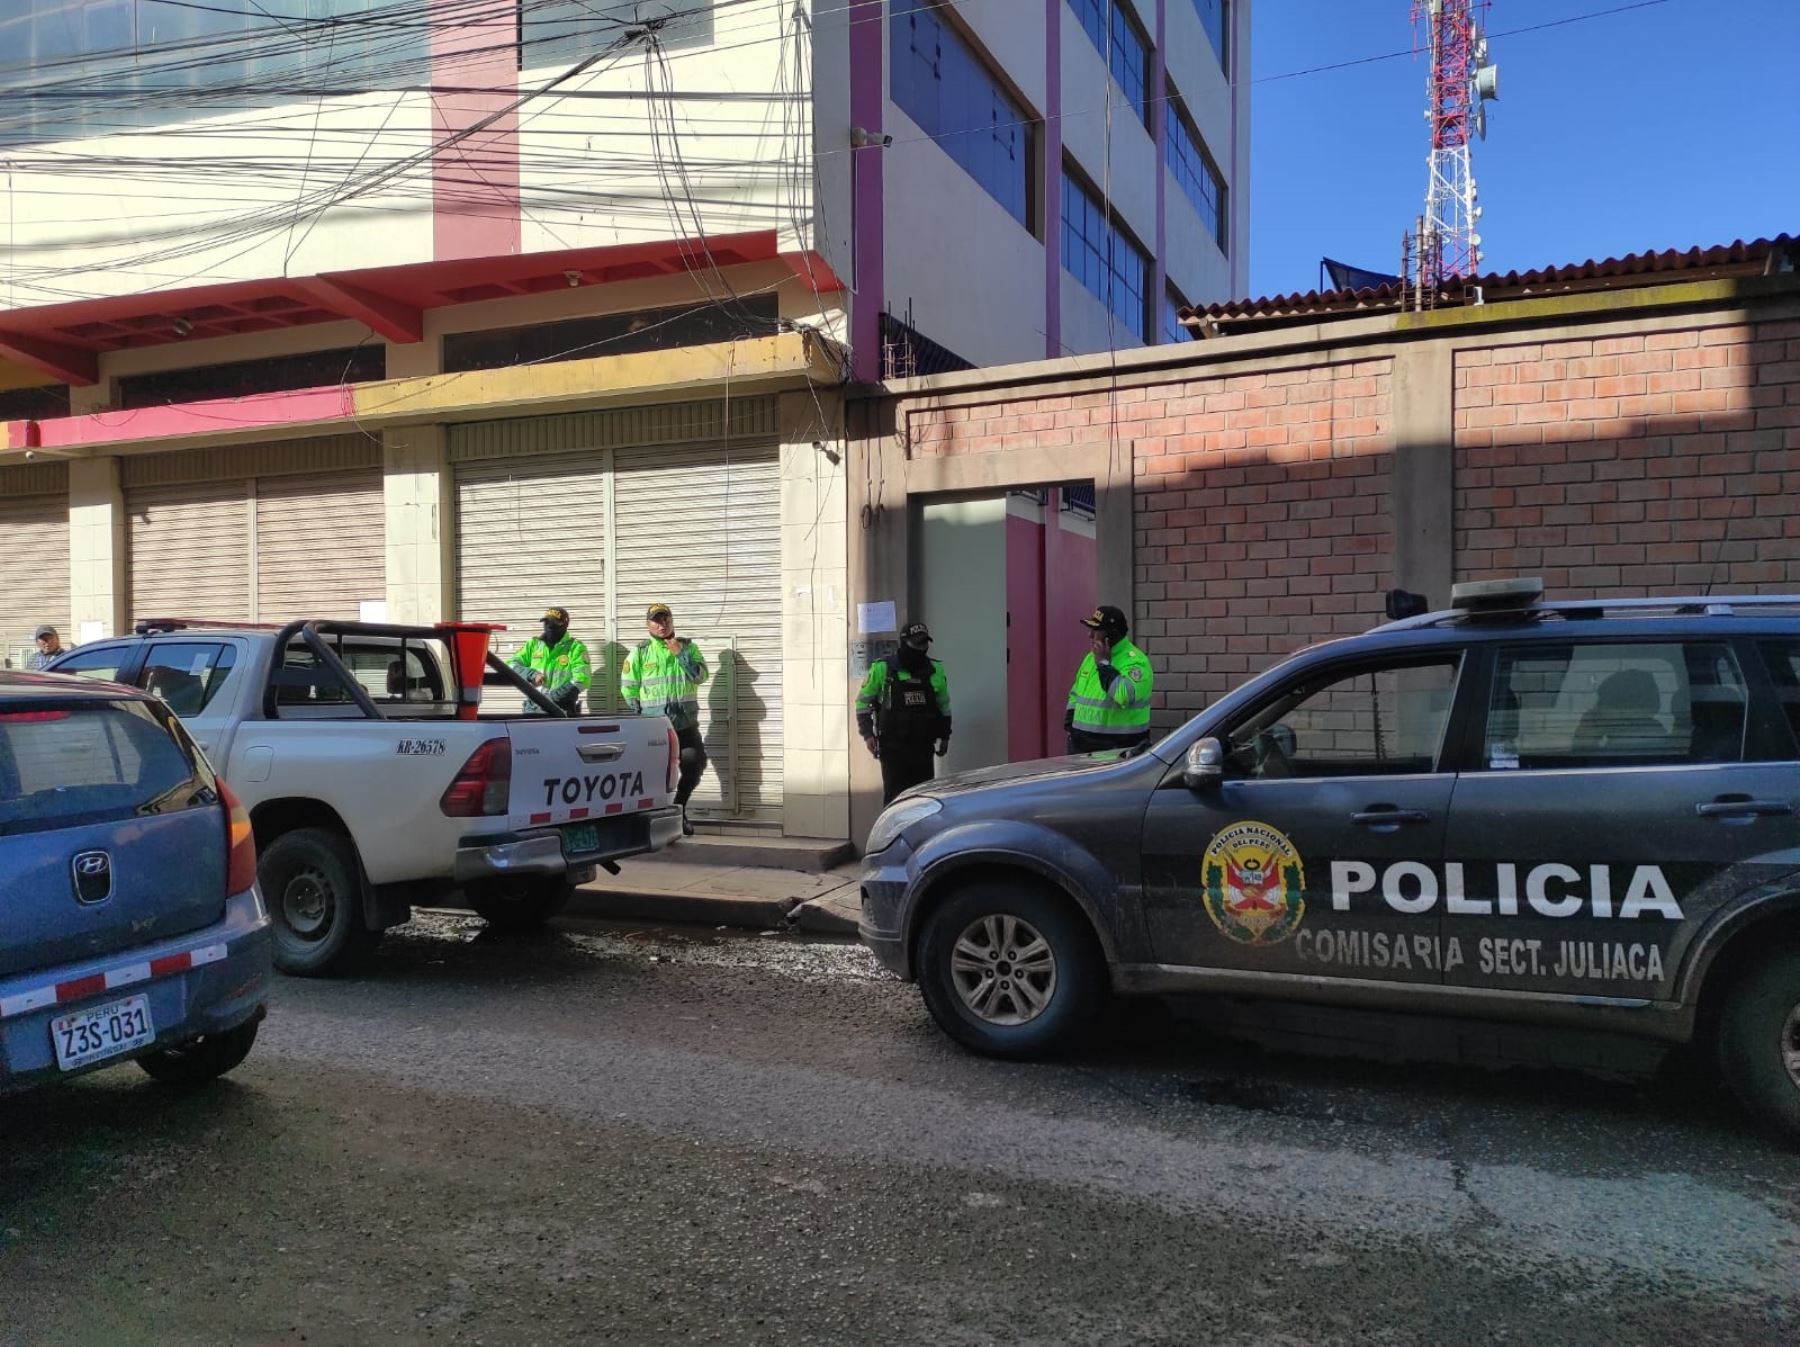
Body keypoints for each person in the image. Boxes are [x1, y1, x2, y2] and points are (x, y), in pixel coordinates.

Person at [621, 603, 709, 834]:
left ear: (672, 620)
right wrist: (641, 716)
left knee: (694, 765)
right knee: (653, 775)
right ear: (647, 624)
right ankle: (652, 819)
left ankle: (678, 811)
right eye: (656, 620)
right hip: (655, 727)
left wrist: (680, 654)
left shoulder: (689, 648)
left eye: (665, 619)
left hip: (685, 724)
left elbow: (700, 677)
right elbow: (629, 688)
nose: (662, 624)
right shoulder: (640, 652)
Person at [856, 621, 952, 805]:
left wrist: (945, 736)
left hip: (923, 748)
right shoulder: (883, 668)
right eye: (917, 643)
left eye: (925, 643)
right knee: (895, 800)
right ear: (904, 642)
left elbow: (944, 707)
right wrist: (868, 734)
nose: (922, 648)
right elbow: (862, 703)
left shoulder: (935, 670)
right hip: (893, 749)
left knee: (923, 800)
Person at [1065, 605, 1153, 754]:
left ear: (1112, 634)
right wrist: (1070, 726)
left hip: (1116, 750)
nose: (1090, 635)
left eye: (1096, 630)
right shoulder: (1090, 657)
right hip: (1081, 748)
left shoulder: (1136, 662)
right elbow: (1076, 692)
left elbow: (1124, 696)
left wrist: (1104, 664)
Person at [507, 607, 591, 714]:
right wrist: (531, 674)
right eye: (546, 622)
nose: (549, 626)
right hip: (533, 710)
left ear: (564, 625)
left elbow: (582, 679)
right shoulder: (533, 645)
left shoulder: (576, 648)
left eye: (554, 623)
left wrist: (551, 698)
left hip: (560, 711)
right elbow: (510, 665)